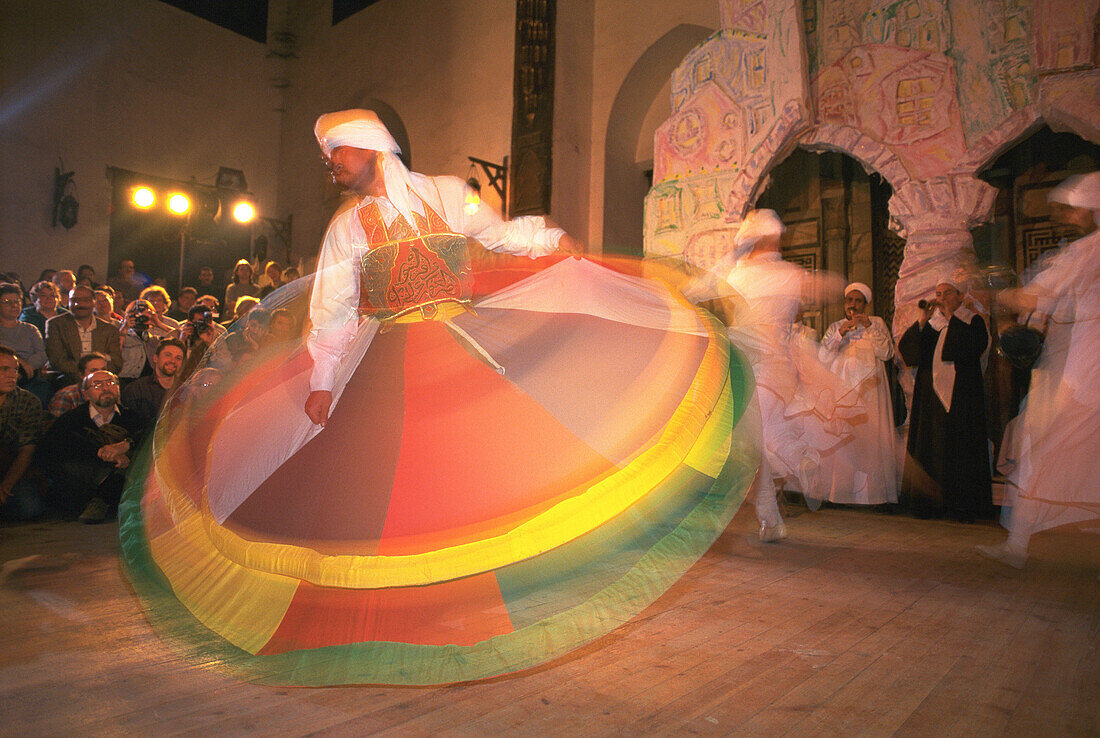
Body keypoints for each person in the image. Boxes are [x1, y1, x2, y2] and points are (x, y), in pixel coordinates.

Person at [122, 108, 754, 687]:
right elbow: (333, 312)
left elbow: (502, 235)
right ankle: (400, 612)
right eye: (329, 155)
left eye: (337, 151)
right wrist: (320, 382)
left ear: (369, 147)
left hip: (457, 343)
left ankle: (476, 600)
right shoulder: (347, 229)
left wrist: (549, 241)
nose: (331, 164)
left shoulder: (447, 194)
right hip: (383, 360)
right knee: (384, 491)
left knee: (469, 475)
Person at [699, 209, 855, 540]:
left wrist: (729, 260)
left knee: (760, 437)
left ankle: (800, 460)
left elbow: (697, 289)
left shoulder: (737, 276)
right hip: (770, 366)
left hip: (749, 366)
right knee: (759, 440)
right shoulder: (784, 274)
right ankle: (771, 519)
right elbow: (827, 286)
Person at [978, 172, 1100, 568]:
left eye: (1072, 208)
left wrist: (995, 293)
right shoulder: (1083, 252)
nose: (1066, 215)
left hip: (1085, 370)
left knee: (1044, 449)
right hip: (1077, 363)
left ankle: (1017, 547)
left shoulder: (1087, 250)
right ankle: (1018, 545)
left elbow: (1036, 295)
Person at [898, 276, 991, 522]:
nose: (941, 299)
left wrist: (953, 318)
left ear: (960, 296)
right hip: (931, 398)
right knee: (932, 445)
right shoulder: (933, 324)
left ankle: (962, 506)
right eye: (938, 294)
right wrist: (921, 322)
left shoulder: (972, 321)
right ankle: (928, 504)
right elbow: (911, 354)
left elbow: (969, 350)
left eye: (947, 293)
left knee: (961, 447)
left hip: (962, 396)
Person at [817, 282, 900, 505]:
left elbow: (887, 353)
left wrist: (870, 327)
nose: (853, 305)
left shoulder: (877, 323)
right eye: (849, 300)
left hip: (870, 395)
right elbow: (823, 359)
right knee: (845, 442)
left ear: (866, 304)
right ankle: (841, 494)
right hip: (843, 394)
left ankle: (872, 496)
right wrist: (839, 334)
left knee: (870, 441)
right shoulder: (836, 326)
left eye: (858, 301)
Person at [40, 370, 143, 523]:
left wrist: (126, 445)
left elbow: (146, 437)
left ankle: (100, 500)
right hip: (80, 484)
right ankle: (102, 499)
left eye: (110, 383)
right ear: (86, 394)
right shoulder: (71, 419)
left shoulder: (133, 418)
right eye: (97, 385)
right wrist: (104, 453)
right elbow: (51, 449)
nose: (105, 388)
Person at [44, 286, 123, 387]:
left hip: (101, 381)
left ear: (94, 302)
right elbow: (57, 360)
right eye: (74, 300)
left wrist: (95, 374)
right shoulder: (55, 325)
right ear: (68, 302)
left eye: (85, 300)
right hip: (68, 379)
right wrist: (86, 372)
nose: (79, 304)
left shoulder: (109, 330)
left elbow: (116, 363)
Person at [0, 347, 45, 522]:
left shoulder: (27, 401)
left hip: (11, 471)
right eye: (4, 369)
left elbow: (27, 451)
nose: (12, 375)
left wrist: (4, 489)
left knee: (31, 508)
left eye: (15, 369)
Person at [121, 338, 184, 428]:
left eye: (178, 358)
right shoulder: (136, 389)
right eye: (168, 355)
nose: (173, 361)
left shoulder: (186, 390)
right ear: (155, 358)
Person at [117, 298, 177, 383]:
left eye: (144, 316)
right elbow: (115, 354)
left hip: (148, 383)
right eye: (136, 315)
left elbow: (180, 337)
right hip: (126, 381)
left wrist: (158, 324)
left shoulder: (152, 339)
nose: (141, 318)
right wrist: (125, 328)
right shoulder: (121, 333)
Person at [47, 352, 110, 418]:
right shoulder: (66, 396)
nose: (100, 374)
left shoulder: (111, 393)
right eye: (93, 370)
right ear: (81, 375)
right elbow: (58, 426)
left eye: (103, 370)